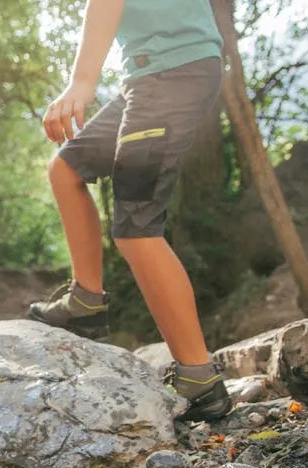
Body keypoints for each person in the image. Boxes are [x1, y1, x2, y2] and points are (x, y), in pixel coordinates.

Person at [29, 0, 233, 422]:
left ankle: (199, 377)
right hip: (147, 80)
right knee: (66, 168)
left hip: (173, 75)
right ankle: (86, 303)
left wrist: (82, 83)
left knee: (136, 227)